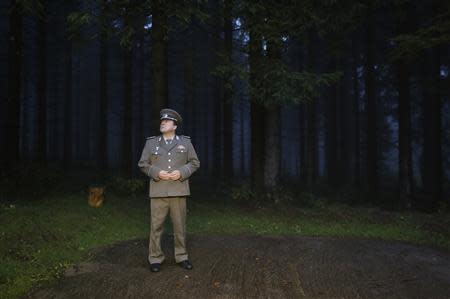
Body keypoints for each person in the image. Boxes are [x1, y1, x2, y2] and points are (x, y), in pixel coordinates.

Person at [137, 108, 200, 272]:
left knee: (180, 227)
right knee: (156, 226)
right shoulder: (151, 143)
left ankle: (182, 256)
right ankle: (155, 258)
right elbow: (143, 164)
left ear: (175, 125)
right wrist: (157, 173)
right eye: (162, 121)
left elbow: (194, 163)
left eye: (167, 121)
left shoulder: (185, 142)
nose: (162, 123)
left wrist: (182, 172)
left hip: (179, 190)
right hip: (158, 190)